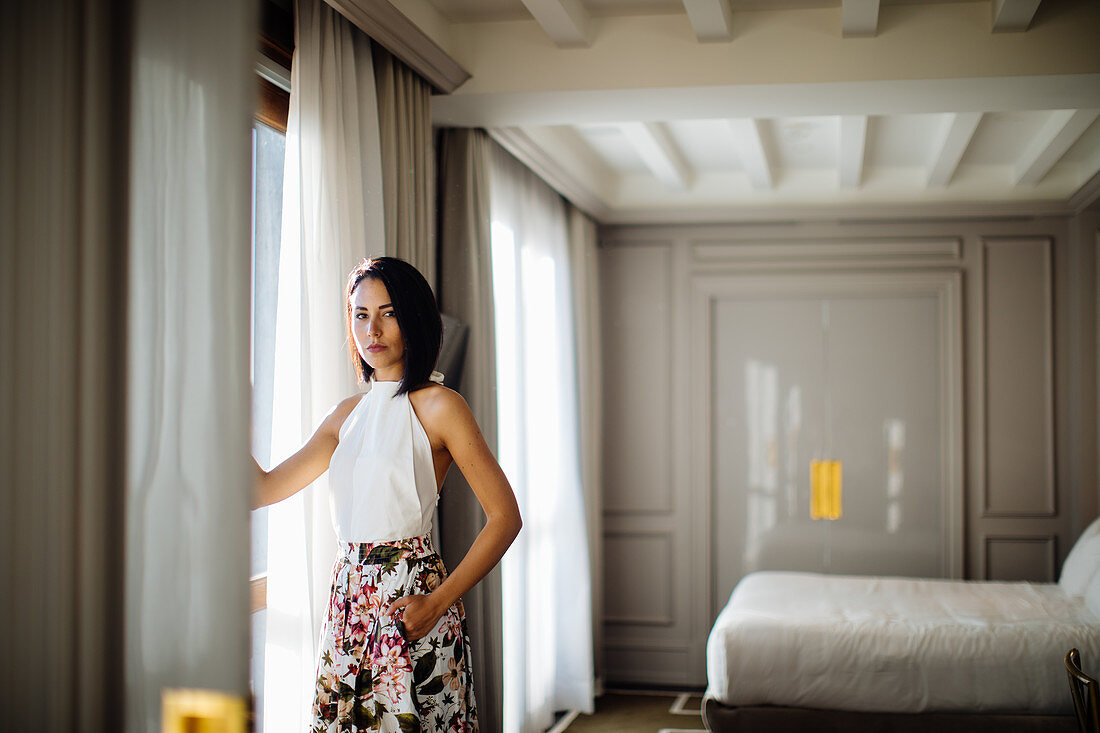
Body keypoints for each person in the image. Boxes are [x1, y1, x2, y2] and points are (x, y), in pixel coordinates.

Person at [252, 257, 521, 732]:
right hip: (349, 604)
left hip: (413, 602)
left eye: (388, 312)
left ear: (412, 317)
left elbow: (505, 517)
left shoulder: (440, 405)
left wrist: (438, 602)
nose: (372, 328)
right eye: (360, 314)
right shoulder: (345, 414)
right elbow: (264, 488)